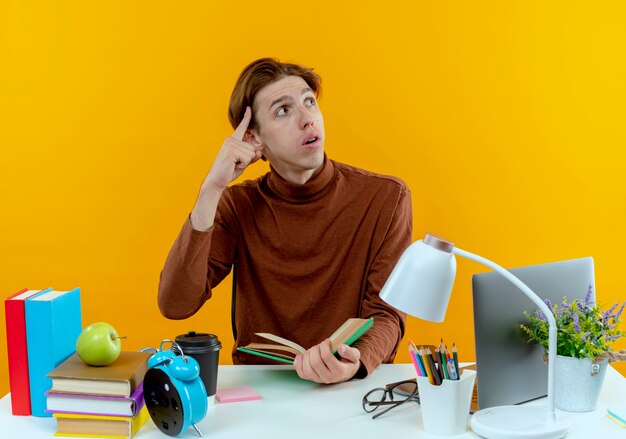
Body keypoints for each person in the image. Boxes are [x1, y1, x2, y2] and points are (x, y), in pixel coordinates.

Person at [158, 57, 412, 384]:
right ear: (254, 141)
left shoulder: (386, 198)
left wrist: (354, 363)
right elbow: (176, 304)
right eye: (283, 110)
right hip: (263, 388)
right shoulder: (238, 204)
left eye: (309, 102)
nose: (307, 119)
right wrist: (212, 189)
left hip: (349, 386)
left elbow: (386, 314)